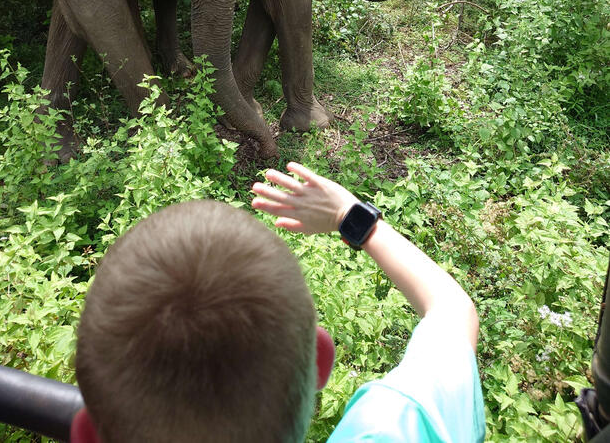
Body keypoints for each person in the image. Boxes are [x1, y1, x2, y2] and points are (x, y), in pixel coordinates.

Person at [71, 162, 485, 443]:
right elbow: (452, 309)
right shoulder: (389, 427)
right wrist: (349, 215)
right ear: (321, 359)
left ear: (85, 434)